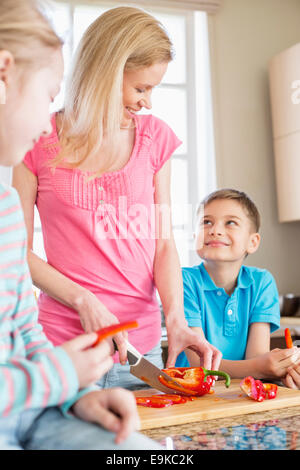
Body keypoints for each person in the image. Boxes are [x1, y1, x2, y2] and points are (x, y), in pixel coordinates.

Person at [13, 5, 222, 391]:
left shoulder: (155, 139)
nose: (147, 102)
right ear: (104, 75)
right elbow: (15, 251)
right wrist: (84, 301)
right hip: (65, 351)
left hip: (140, 352)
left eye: (153, 89)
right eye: (140, 88)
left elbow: (162, 244)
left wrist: (176, 318)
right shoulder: (36, 140)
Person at [0, 0, 162, 450]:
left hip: (41, 410)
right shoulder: (40, 153)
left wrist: (77, 396)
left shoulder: (5, 210)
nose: (47, 121)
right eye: (49, 96)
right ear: (3, 75)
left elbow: (25, 331)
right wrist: (60, 377)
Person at [175, 189, 300, 384]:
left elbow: (256, 357)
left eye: (230, 223)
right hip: (191, 396)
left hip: (241, 394)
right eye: (206, 222)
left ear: (252, 242)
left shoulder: (262, 282)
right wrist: (263, 367)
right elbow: (200, 365)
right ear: (195, 237)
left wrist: (282, 368)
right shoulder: (182, 281)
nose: (215, 230)